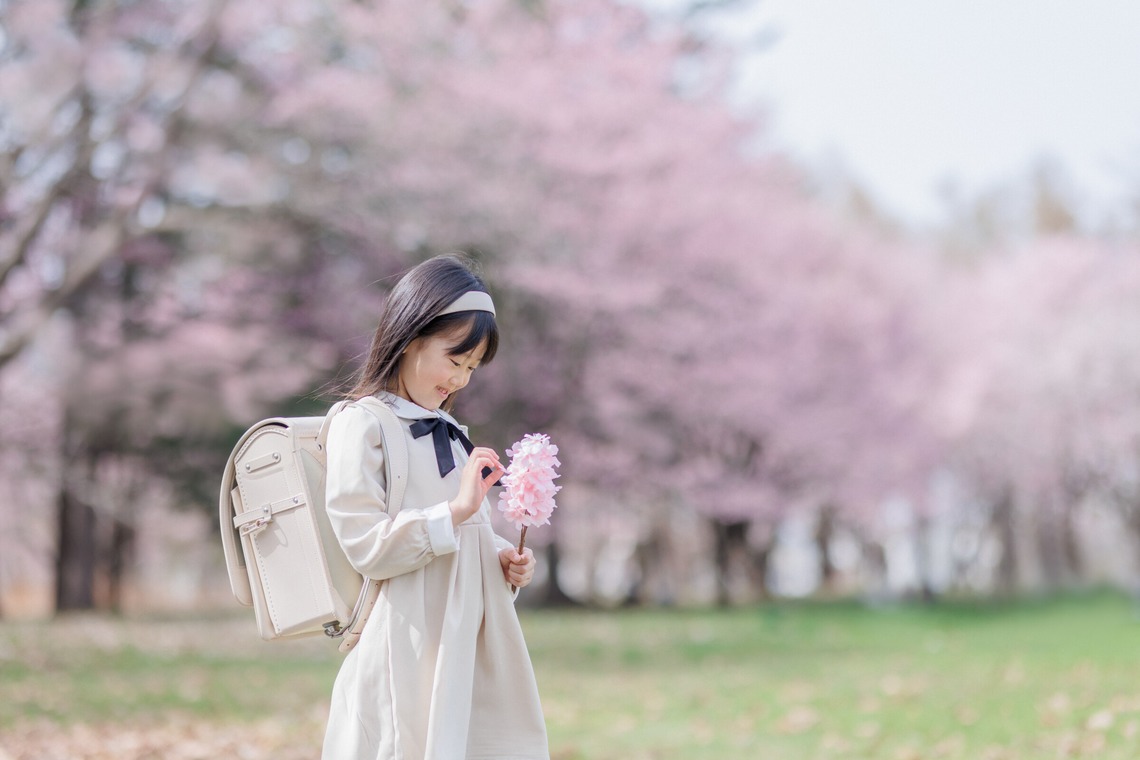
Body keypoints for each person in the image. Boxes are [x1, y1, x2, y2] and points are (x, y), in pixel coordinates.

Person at [321, 254, 549, 759]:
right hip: (411, 645)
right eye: (454, 359)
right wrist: (457, 511)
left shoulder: (449, 434)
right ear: (410, 335)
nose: (462, 380)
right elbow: (366, 546)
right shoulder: (364, 424)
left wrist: (501, 560)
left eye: (472, 368)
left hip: (468, 645)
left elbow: (461, 537)